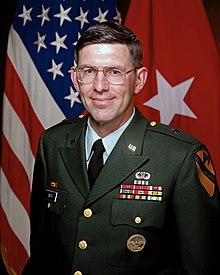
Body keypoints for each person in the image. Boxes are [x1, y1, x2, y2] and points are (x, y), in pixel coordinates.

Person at [22, 21, 220, 275]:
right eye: (89, 71)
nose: (100, 86)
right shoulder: (53, 142)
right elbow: (41, 258)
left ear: (139, 80)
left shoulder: (180, 157)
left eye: (114, 72)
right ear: (75, 78)